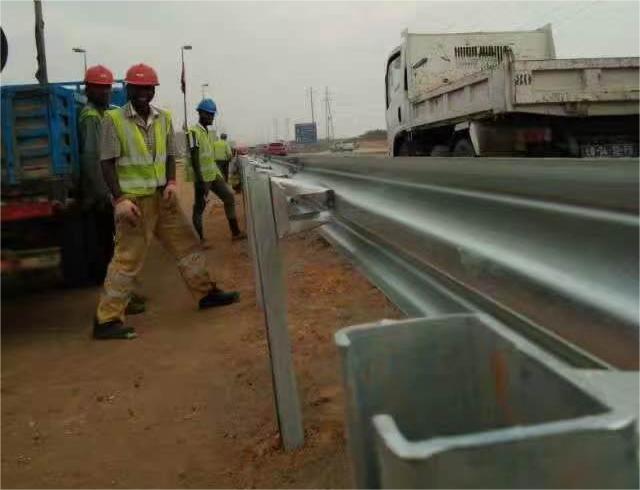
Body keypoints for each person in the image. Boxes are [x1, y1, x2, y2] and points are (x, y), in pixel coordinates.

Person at [92, 63, 239, 340]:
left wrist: (172, 182)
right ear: (128, 89)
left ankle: (205, 293)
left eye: (148, 88)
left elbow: (171, 155)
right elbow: (106, 163)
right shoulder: (114, 120)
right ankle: (107, 319)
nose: (143, 93)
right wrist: (119, 199)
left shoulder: (164, 118)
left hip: (164, 197)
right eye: (138, 88)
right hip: (135, 202)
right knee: (127, 260)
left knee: (187, 246)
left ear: (153, 90)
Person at [78, 65, 146, 314]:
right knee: (113, 252)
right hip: (103, 196)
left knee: (115, 248)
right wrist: (109, 196)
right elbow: (94, 160)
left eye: (107, 87)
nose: (105, 92)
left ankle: (123, 298)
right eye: (99, 87)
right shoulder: (91, 118)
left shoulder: (104, 114)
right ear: (88, 89)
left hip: (108, 193)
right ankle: (120, 301)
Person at [188, 99, 246, 244]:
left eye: (213, 115)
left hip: (213, 174)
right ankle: (201, 239)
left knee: (229, 197)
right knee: (199, 207)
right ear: (200, 113)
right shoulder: (193, 132)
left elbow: (208, 156)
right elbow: (194, 158)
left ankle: (235, 232)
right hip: (202, 178)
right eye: (209, 114)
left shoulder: (207, 132)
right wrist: (200, 181)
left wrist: (218, 174)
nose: (211, 118)